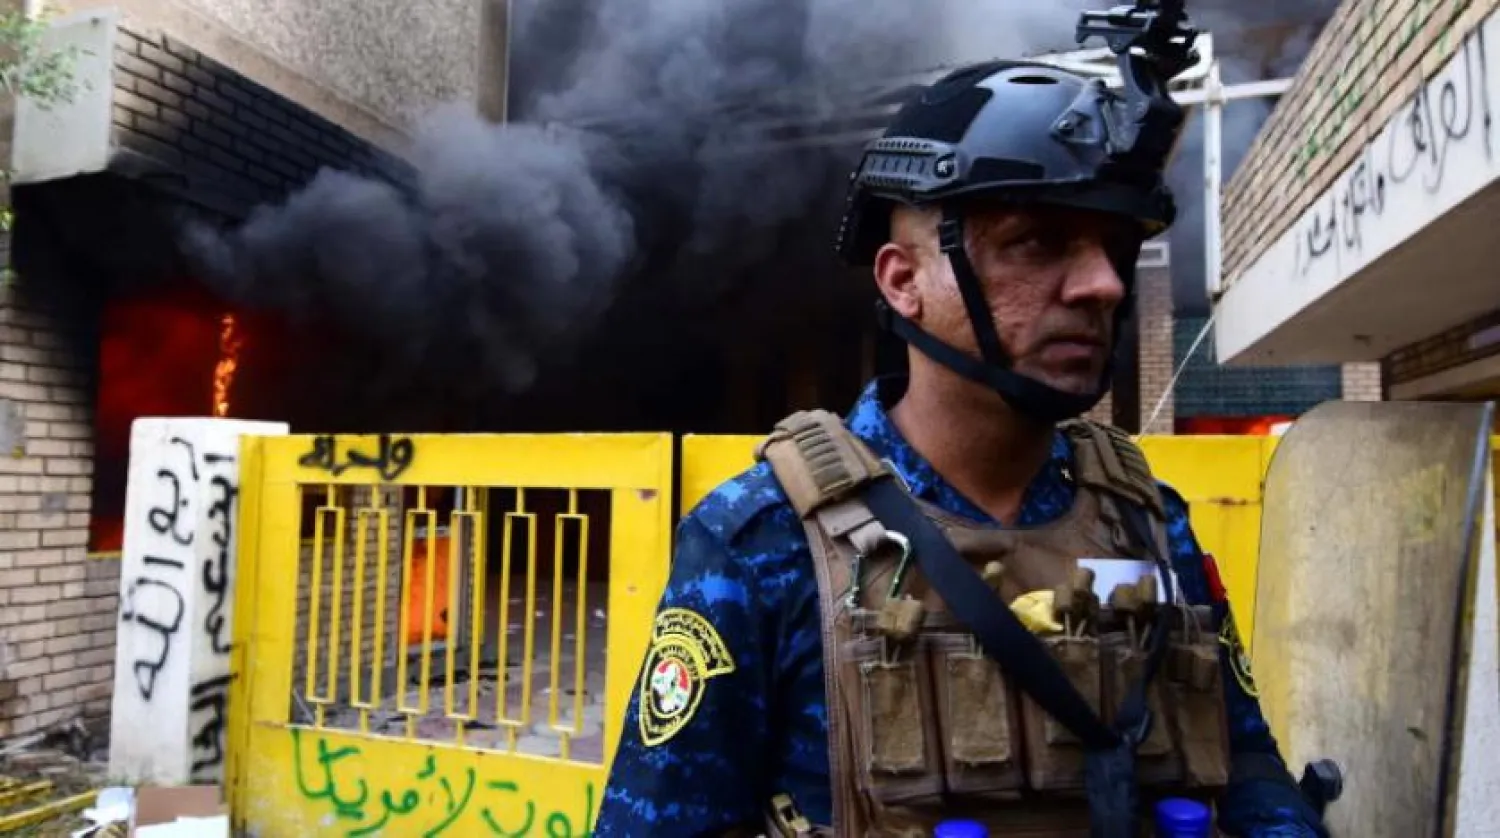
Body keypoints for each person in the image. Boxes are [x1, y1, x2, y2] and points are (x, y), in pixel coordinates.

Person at [594, 47, 1329, 838]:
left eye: (1110, 248)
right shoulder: (762, 539)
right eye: (1037, 243)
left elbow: (1248, 768)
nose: (1104, 285)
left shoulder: (1150, 521)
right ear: (903, 281)